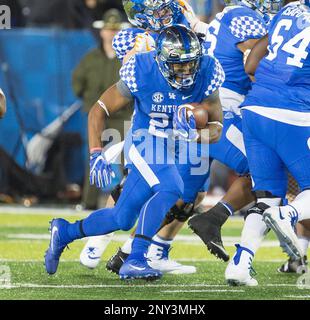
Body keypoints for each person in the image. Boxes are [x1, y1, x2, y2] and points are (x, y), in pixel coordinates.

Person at [44, 24, 224, 280]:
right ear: (161, 60)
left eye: (190, 63)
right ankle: (136, 258)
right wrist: (96, 153)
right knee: (172, 188)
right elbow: (99, 110)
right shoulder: (142, 69)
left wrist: (196, 135)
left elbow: (217, 127)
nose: (186, 71)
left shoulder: (207, 69)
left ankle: (64, 232)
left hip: (174, 145)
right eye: (178, 64)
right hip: (144, 138)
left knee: (122, 217)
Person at [224, 0, 310, 286]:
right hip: (294, 113)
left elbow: (251, 64)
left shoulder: (289, 9)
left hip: (255, 108)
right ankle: (288, 213)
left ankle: (241, 263)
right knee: (287, 201)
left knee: (267, 194)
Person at [72, 8, 132, 210]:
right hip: (98, 115)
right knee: (95, 157)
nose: (112, 33)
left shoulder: (128, 58)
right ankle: (88, 202)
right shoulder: (90, 58)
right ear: (102, 31)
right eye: (109, 29)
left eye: (116, 30)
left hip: (123, 116)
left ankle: (128, 202)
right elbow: (77, 84)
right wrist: (91, 102)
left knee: (129, 161)